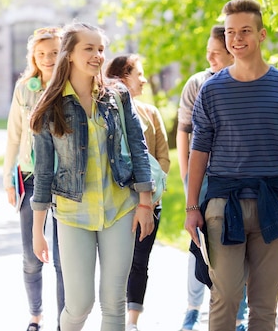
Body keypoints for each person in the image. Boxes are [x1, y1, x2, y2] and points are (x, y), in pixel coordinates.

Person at [184, 0, 278, 331]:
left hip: (274, 205)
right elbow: (199, 151)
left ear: (262, 34)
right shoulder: (210, 90)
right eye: (230, 32)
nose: (236, 39)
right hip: (223, 206)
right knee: (224, 299)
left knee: (265, 305)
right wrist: (192, 206)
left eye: (245, 31)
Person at [29, 22, 156, 331]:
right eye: (89, 48)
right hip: (73, 214)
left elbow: (138, 147)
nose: (98, 55)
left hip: (120, 209)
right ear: (69, 54)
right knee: (79, 305)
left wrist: (145, 202)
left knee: (114, 304)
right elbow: (44, 170)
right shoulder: (50, 105)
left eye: (101, 49)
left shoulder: (117, 95)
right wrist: (38, 229)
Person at [177, 25, 248, 331]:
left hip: (241, 179)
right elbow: (184, 131)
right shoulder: (198, 83)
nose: (210, 59)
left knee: (240, 245)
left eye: (215, 54)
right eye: (208, 53)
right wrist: (186, 175)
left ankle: (240, 314)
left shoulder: (250, 83)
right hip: (203, 178)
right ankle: (193, 309)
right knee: (200, 245)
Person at [3, 27, 65, 331]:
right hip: (29, 177)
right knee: (31, 256)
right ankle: (35, 315)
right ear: (33, 58)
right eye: (41, 54)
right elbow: (14, 135)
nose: (47, 59)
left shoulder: (72, 85)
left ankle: (65, 322)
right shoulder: (25, 88)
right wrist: (7, 179)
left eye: (53, 52)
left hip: (66, 181)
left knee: (63, 260)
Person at [105, 54, 170, 331]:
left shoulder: (150, 114)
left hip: (150, 201)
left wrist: (152, 194)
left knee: (140, 262)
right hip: (119, 203)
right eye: (139, 74)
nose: (144, 80)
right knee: (116, 264)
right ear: (122, 77)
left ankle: (131, 322)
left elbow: (163, 158)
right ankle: (113, 317)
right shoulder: (104, 111)